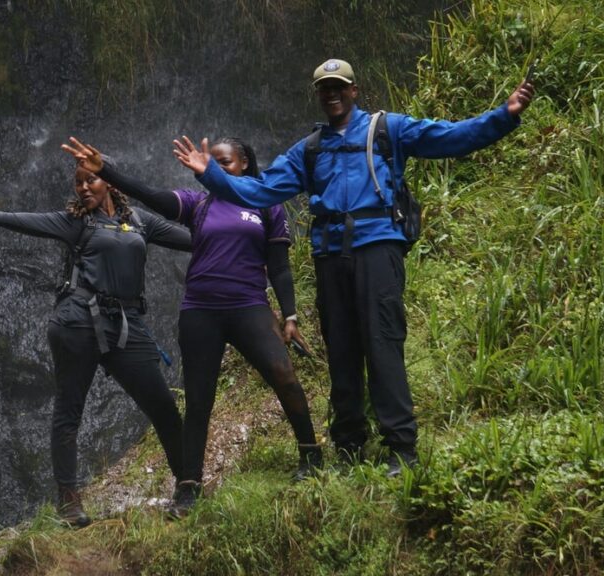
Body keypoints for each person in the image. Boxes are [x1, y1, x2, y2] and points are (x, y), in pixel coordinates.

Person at [173, 58, 535, 477]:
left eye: (339, 86)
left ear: (354, 90)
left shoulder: (387, 130)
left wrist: (503, 115)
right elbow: (261, 190)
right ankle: (348, 447)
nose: (332, 94)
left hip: (377, 249)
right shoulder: (308, 150)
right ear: (318, 95)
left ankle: (401, 448)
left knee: (382, 344)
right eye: (325, 88)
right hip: (329, 258)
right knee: (341, 348)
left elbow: (450, 136)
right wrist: (212, 175)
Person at [0, 160, 191, 526]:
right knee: (69, 411)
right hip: (76, 322)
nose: (84, 187)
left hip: (125, 324)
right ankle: (69, 503)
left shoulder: (140, 221)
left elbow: (195, 240)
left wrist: (241, 228)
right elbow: (14, 219)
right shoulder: (75, 223)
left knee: (164, 407)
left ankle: (187, 486)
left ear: (112, 182)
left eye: (91, 180)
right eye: (78, 183)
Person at [62, 136, 322, 517]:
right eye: (211, 163)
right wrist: (107, 172)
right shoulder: (197, 202)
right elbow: (149, 196)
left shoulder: (266, 203)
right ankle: (189, 487)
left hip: (248, 306)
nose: (215, 168)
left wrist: (291, 315)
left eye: (225, 162)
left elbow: (279, 266)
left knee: (283, 374)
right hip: (201, 311)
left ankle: (310, 454)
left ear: (245, 164)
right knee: (199, 400)